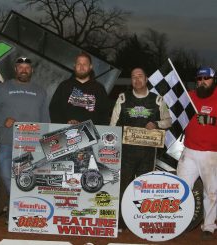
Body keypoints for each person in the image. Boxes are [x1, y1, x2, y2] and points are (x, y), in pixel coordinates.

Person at [110, 67, 172, 230]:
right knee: (123, 187)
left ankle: (140, 222)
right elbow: (112, 124)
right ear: (131, 81)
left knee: (144, 188)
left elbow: (168, 121)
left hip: (148, 153)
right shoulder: (123, 98)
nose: (137, 80)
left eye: (140, 76)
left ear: (146, 79)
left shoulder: (157, 100)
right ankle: (121, 222)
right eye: (133, 77)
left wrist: (157, 124)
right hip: (126, 152)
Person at [0, 56, 50, 198]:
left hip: (31, 144)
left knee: (27, 177)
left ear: (32, 70)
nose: (24, 70)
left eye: (27, 68)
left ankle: (19, 207)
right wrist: (3, 121)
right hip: (8, 142)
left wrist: (44, 142)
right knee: (5, 174)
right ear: (15, 69)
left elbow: (45, 118)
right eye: (20, 67)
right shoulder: (3, 88)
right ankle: (16, 203)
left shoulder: (40, 91)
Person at [177, 67, 217, 241]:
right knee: (181, 188)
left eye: (206, 78)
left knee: (211, 192)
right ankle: (179, 222)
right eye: (199, 78)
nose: (202, 81)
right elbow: (176, 114)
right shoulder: (189, 96)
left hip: (211, 153)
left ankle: (208, 226)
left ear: (213, 80)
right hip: (189, 151)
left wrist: (211, 120)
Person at [49, 52, 109, 125]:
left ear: (90, 66)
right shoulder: (64, 86)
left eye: (85, 64)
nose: (81, 67)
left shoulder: (99, 89)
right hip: (67, 132)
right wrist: (65, 123)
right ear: (74, 66)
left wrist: (95, 129)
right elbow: (54, 109)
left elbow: (104, 114)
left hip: (90, 134)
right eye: (79, 64)